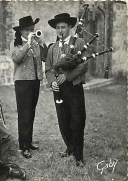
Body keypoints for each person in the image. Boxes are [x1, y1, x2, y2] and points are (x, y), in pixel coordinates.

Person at [45, 13, 88, 167]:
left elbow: (83, 65)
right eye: (57, 27)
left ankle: (79, 156)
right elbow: (49, 69)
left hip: (74, 86)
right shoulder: (52, 48)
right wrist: (52, 82)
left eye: (63, 27)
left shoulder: (79, 42)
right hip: (59, 89)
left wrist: (67, 76)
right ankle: (70, 148)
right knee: (63, 120)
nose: (60, 30)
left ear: (70, 27)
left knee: (77, 120)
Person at [10, 16, 48, 158]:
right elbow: (17, 58)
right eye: (27, 30)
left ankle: (29, 141)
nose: (30, 32)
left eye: (32, 30)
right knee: (24, 113)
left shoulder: (36, 43)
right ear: (21, 31)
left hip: (35, 80)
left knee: (31, 112)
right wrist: (28, 44)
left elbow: (44, 58)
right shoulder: (15, 43)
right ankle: (24, 145)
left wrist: (41, 43)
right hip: (22, 82)